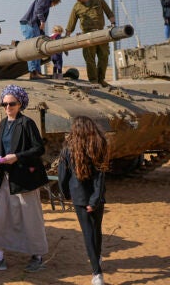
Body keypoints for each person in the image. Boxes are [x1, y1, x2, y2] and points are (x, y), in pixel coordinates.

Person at [0, 85, 48, 274]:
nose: (8, 107)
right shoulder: (3, 123)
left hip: (24, 178)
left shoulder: (27, 123)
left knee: (30, 217)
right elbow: (3, 149)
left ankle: (37, 256)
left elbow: (39, 149)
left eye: (12, 104)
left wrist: (17, 156)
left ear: (20, 104)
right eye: (4, 104)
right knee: (0, 217)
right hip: (6, 178)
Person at [58, 116, 110, 285]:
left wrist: (65, 193)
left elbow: (62, 176)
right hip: (98, 195)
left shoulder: (68, 148)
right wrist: (95, 198)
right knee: (96, 230)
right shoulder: (100, 145)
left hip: (79, 196)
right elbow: (100, 175)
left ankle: (97, 273)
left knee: (88, 233)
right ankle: (98, 258)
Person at [66, 0, 116, 86]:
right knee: (89, 58)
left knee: (104, 56)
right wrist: (67, 36)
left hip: (101, 34)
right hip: (87, 35)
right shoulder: (77, 6)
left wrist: (113, 23)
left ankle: (101, 79)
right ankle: (93, 80)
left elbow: (108, 12)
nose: (77, 0)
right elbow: (71, 22)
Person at [19, 0, 62, 79]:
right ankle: (33, 71)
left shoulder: (46, 4)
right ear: (54, 0)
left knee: (37, 48)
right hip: (29, 24)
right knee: (31, 48)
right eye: (55, 3)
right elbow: (38, 9)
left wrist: (42, 33)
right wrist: (42, 21)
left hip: (34, 25)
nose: (54, 5)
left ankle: (37, 72)